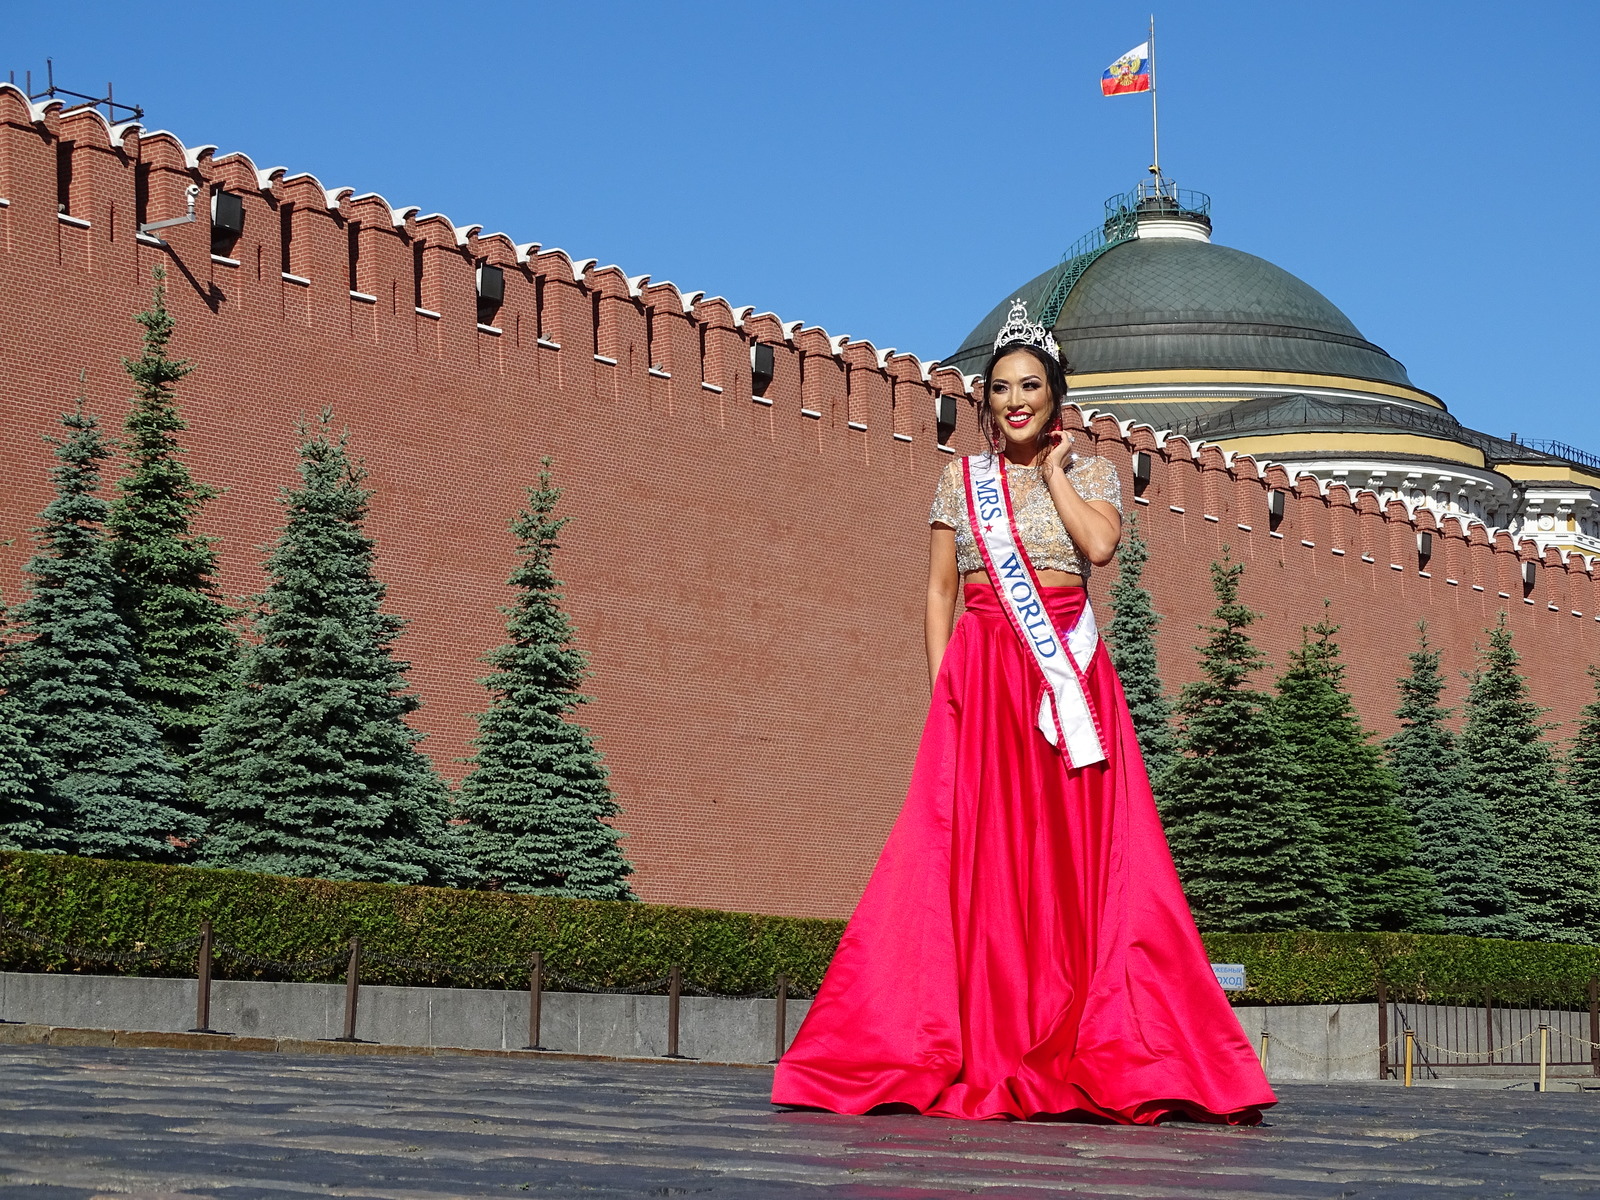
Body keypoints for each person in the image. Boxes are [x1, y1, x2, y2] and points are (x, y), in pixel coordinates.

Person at [771, 300, 1276, 1125]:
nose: (1015, 401)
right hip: (981, 678)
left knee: (1079, 862)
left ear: (1054, 396)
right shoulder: (958, 480)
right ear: (986, 399)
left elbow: (1100, 549)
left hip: (1066, 685)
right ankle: (965, 1039)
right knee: (974, 858)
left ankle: (1085, 1037)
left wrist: (1050, 475)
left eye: (1029, 386)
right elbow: (938, 592)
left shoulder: (1093, 474)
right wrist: (947, 693)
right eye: (1001, 387)